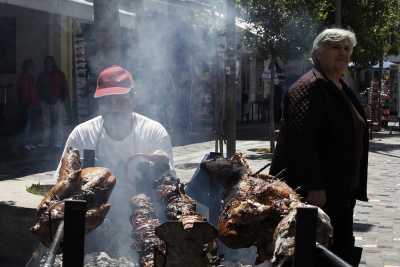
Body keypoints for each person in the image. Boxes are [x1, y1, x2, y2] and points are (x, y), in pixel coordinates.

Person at [270, 28, 368, 266]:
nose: (343, 53)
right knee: (314, 253)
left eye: (347, 48)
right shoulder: (310, 87)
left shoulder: (339, 86)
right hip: (318, 194)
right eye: (335, 47)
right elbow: (302, 141)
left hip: (341, 190)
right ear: (318, 52)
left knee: (339, 249)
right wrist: (314, 185)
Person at [55, 65, 174, 257]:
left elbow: (168, 187)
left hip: (144, 222)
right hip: (92, 225)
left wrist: (157, 168)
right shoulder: (82, 135)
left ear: (133, 98)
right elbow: (62, 186)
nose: (114, 108)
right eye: (107, 102)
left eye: (120, 100)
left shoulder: (153, 133)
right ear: (99, 103)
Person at [37, 56, 68, 148]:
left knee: (59, 123)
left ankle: (58, 142)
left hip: (58, 101)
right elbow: (38, 87)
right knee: (46, 123)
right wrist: (41, 99)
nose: (48, 64)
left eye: (50, 62)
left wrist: (62, 98)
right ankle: (46, 142)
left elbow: (64, 86)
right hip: (45, 102)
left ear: (53, 63)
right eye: (46, 63)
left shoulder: (59, 74)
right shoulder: (42, 75)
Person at [17, 59, 40, 151]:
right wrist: (26, 102)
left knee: (30, 124)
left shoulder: (30, 77)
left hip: (31, 103)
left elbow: (33, 91)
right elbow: (24, 92)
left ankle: (28, 142)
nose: (32, 68)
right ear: (26, 67)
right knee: (26, 125)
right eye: (30, 66)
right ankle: (25, 143)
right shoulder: (24, 78)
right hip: (27, 103)